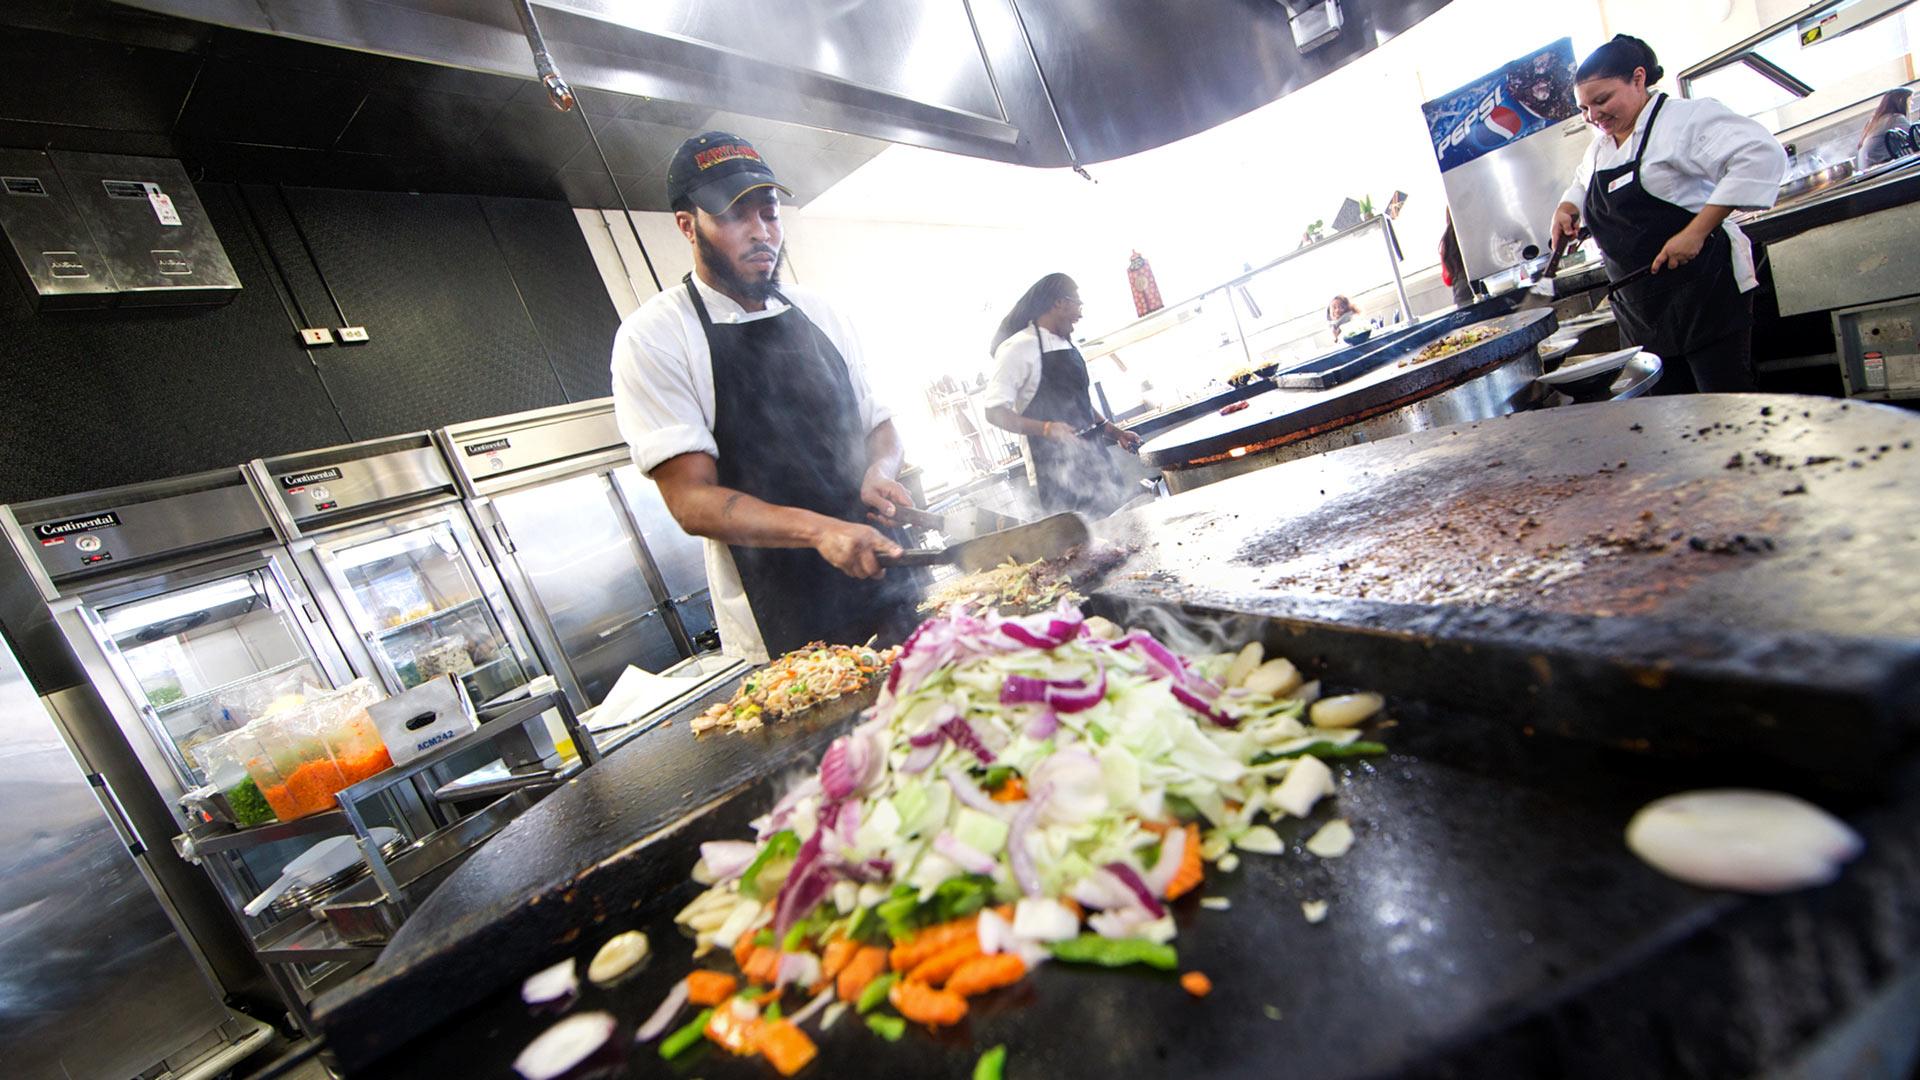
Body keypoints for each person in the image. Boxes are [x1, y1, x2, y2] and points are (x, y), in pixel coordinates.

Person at [611, 132, 918, 663]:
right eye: (735, 216)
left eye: (769, 213)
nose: (761, 233)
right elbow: (691, 500)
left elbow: (880, 427)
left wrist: (880, 470)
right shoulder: (656, 337)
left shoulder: (822, 312)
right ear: (688, 226)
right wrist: (821, 530)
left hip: (886, 582)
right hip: (782, 619)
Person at [1550, 35, 1787, 394]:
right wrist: (1568, 206)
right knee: (1671, 419)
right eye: (1584, 109)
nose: (1593, 116)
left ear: (1638, 78)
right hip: (1642, 312)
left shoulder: (1684, 120)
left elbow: (1761, 154)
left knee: (1725, 411)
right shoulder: (1600, 148)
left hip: (1703, 295)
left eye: (1602, 101)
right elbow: (1582, 183)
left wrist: (1696, 231)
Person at [982, 274, 1143, 517]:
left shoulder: (1067, 344)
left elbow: (1080, 402)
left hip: (1097, 461)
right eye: (1078, 304)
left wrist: (1114, 431)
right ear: (1059, 303)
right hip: (1055, 476)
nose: (1080, 313)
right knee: (1084, 549)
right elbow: (994, 412)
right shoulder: (1017, 348)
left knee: (1127, 528)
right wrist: (1047, 428)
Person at [1855, 88, 1913, 170]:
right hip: (1879, 168)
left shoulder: (1876, 120)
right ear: (1901, 101)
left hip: (1868, 169)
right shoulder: (1895, 118)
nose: (1912, 103)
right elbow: (1915, 138)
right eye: (1910, 100)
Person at [1439, 211, 1476, 308]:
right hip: (1486, 286)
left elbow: (1448, 279)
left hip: (1462, 295)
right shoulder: (1477, 229)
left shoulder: (1446, 241)